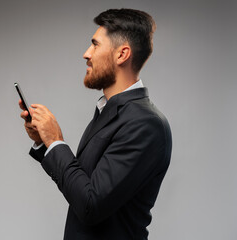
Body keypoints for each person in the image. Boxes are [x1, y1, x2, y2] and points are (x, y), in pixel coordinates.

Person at [18, 8, 172, 240]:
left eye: (95, 44)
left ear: (122, 54)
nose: (86, 53)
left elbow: (91, 205)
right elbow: (80, 187)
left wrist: (56, 142)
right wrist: (45, 143)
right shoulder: (110, 111)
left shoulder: (145, 124)